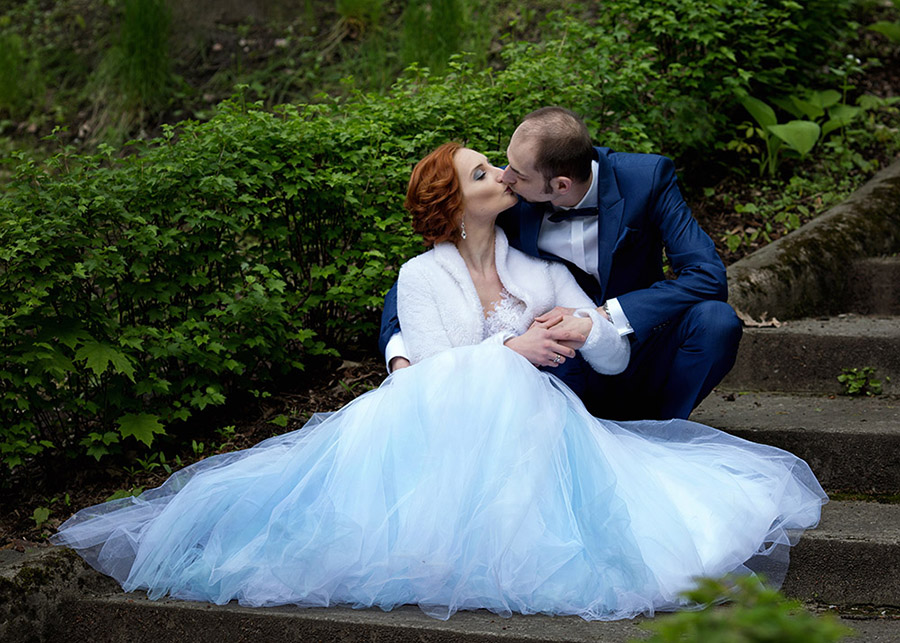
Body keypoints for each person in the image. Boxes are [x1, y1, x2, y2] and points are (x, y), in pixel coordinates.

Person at [51, 143, 825, 622]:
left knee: (680, 347)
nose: (501, 172)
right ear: (459, 207)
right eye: (485, 170)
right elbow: (424, 357)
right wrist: (494, 349)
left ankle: (637, 449)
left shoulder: (543, 257)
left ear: (557, 179)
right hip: (442, 433)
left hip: (555, 408)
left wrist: (593, 328)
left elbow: (625, 329)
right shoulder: (426, 271)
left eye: (505, 168)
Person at [380, 107, 742, 421]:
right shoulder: (512, 195)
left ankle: (663, 430)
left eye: (515, 174)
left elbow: (707, 275)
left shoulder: (646, 180)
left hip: (638, 342)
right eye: (499, 166)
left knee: (716, 322)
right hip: (564, 365)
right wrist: (401, 356)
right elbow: (429, 273)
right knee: (554, 353)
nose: (505, 175)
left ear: (561, 185)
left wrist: (606, 315)